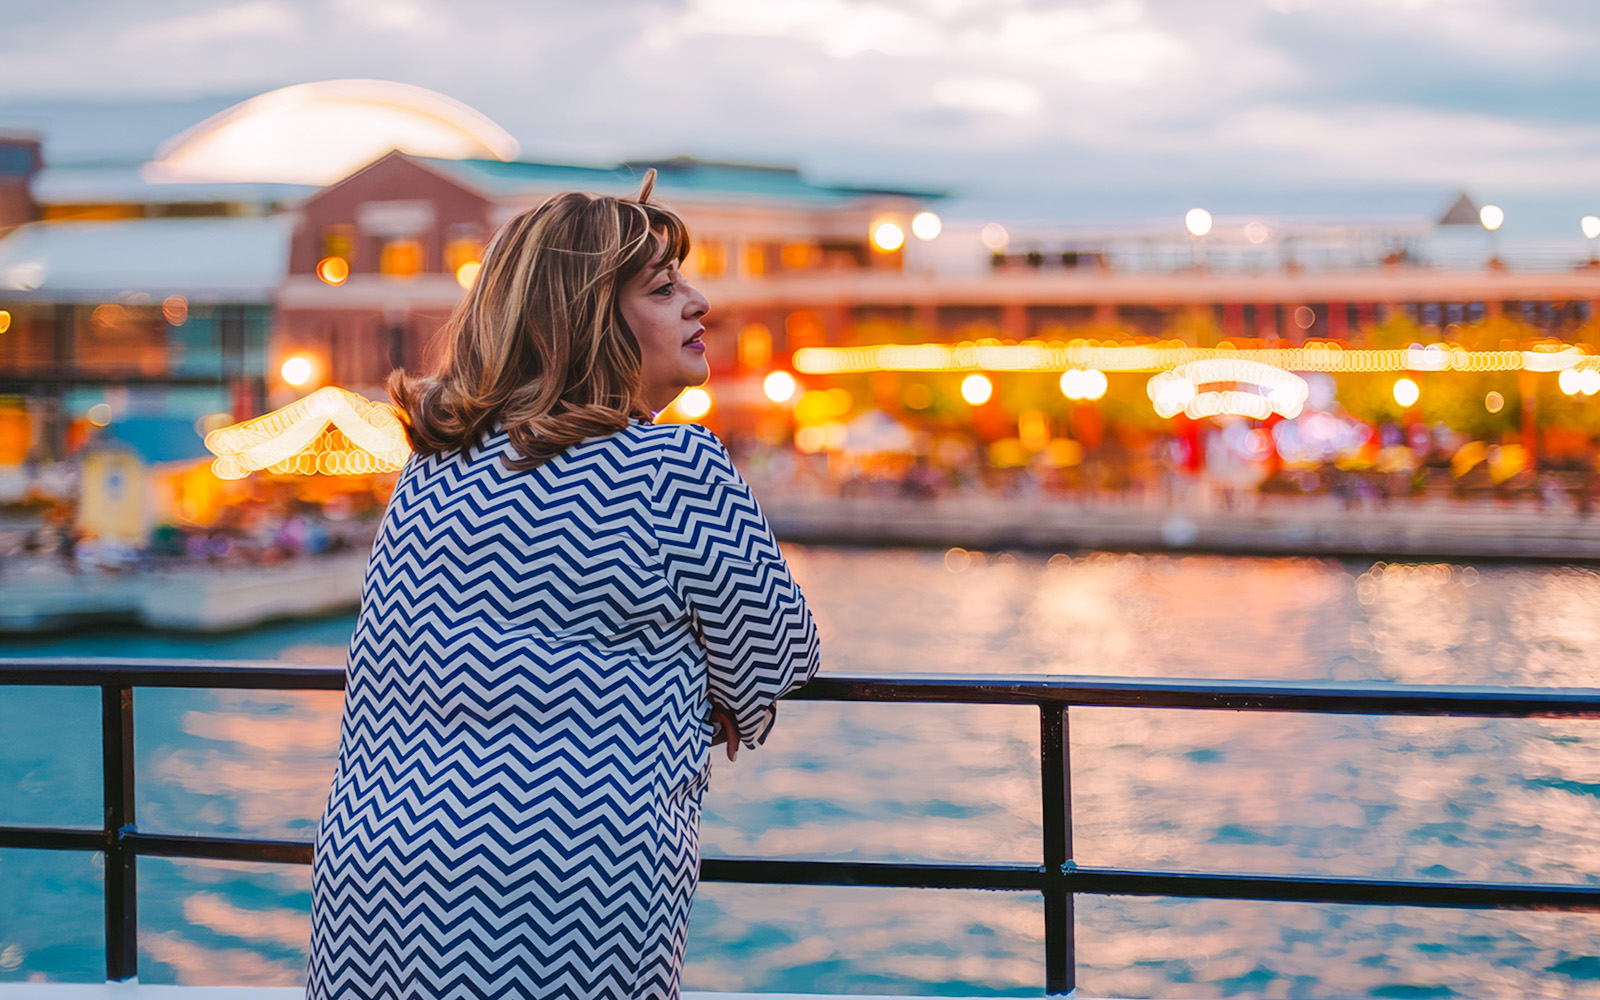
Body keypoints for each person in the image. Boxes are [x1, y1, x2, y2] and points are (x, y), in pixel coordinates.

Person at [304, 170, 821, 1000]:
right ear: (588, 319)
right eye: (663, 289)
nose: (699, 304)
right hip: (564, 883)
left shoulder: (433, 468)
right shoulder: (670, 464)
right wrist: (715, 689)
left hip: (377, 877)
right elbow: (780, 654)